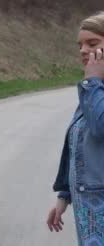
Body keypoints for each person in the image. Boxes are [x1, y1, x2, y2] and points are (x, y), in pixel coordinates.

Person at [47, 12, 104, 245]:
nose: (83, 50)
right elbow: (79, 148)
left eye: (92, 44)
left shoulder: (93, 89)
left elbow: (100, 127)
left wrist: (92, 81)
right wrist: (64, 196)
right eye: (80, 45)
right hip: (88, 212)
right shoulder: (94, 93)